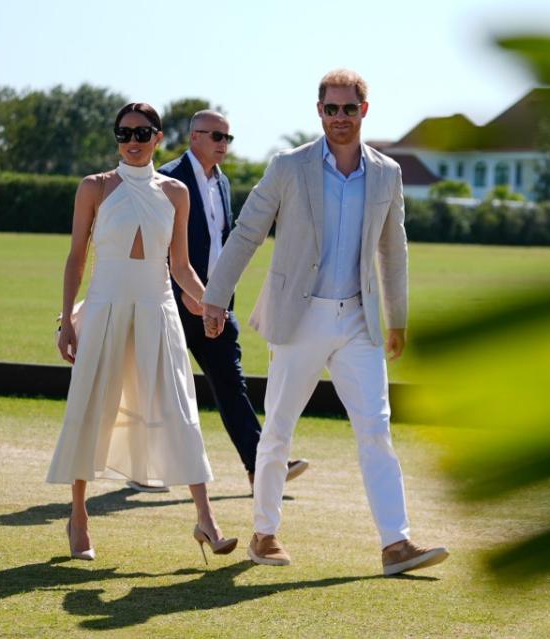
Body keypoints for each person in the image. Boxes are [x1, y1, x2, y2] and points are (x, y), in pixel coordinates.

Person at [202, 69, 448, 574]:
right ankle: (264, 534)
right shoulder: (288, 167)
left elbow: (393, 250)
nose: (340, 117)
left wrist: (397, 319)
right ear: (319, 112)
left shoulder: (387, 173)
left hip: (359, 320)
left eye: (349, 108)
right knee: (278, 431)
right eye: (331, 109)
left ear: (364, 110)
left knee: (376, 430)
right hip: (300, 316)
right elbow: (248, 231)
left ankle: (395, 544)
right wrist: (215, 298)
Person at [48, 102, 237, 563]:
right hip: (105, 307)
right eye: (124, 133)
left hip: (159, 310)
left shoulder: (175, 193)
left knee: (180, 407)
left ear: (158, 137)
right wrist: (66, 320)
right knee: (91, 406)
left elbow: (181, 266)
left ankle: (206, 520)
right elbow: (76, 257)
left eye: (142, 133)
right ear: (117, 137)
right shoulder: (94, 187)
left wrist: (210, 305)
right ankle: (78, 516)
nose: (132, 141)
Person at [118, 110, 306, 494]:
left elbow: (224, 244)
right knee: (157, 385)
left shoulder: (222, 183)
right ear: (194, 138)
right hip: (169, 301)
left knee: (231, 382)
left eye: (228, 138)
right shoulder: (167, 178)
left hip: (214, 306)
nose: (223, 143)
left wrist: (214, 300)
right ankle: (140, 466)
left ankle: (260, 468)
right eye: (216, 136)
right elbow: (154, 244)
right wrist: (187, 292)